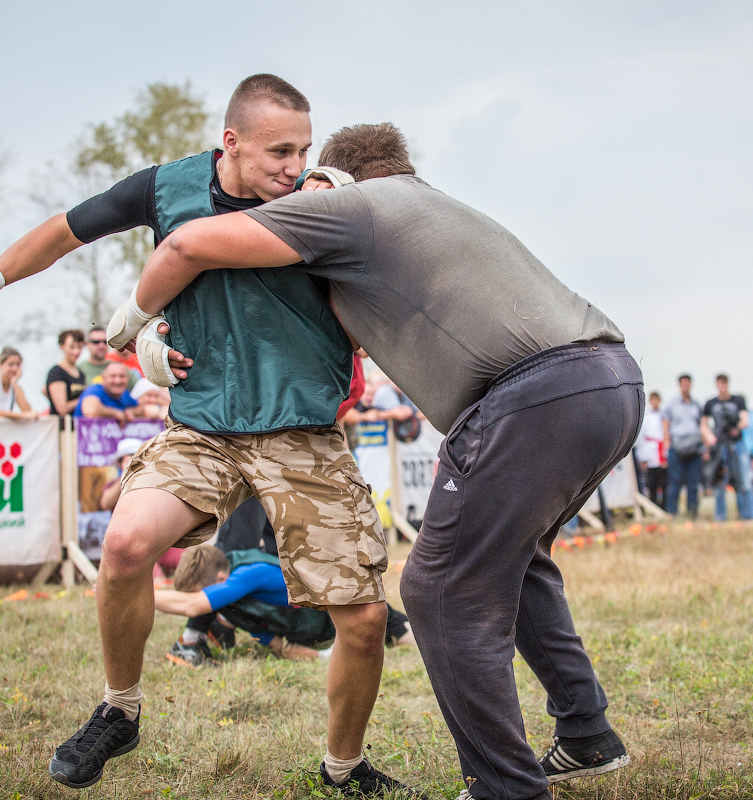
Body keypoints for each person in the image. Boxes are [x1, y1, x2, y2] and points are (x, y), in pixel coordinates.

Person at [0, 76, 409, 795]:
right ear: (229, 142)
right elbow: (64, 230)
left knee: (363, 621)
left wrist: (141, 314)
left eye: (302, 148)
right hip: (203, 425)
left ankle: (343, 766)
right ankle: (120, 709)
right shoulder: (166, 188)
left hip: (302, 432)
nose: (292, 166)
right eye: (278, 150)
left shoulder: (324, 198)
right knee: (122, 545)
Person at [130, 121, 642, 800]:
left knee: (438, 590)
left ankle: (504, 788)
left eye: (302, 175)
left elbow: (193, 241)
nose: (294, 185)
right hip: (613, 379)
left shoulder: (351, 208)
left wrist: (137, 318)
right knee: (517, 561)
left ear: (334, 181)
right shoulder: (432, 207)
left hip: (532, 395)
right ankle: (586, 735)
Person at [155, 545, 417, 665]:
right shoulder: (237, 606)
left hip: (352, 607)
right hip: (329, 629)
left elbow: (193, 606)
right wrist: (321, 657)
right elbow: (280, 647)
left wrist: (135, 596)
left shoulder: (249, 574)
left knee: (421, 641)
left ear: (220, 579)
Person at [701, 374, 753, 522]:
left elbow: (745, 420)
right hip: (719, 446)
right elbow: (703, 424)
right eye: (720, 384)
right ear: (716, 385)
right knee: (719, 482)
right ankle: (720, 517)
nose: (722, 386)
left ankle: (748, 516)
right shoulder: (710, 403)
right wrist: (710, 438)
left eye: (725, 383)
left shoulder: (738, 400)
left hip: (737, 443)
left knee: (744, 480)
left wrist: (736, 427)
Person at [662, 374, 704, 519]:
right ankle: (672, 514)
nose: (686, 386)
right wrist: (667, 442)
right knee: (675, 482)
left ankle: (692, 513)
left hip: (694, 448)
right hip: (677, 447)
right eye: (683, 383)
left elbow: (702, 425)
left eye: (688, 383)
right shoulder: (672, 404)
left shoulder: (697, 404)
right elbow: (665, 424)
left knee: (693, 483)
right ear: (679, 385)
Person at [74, 363, 144, 424]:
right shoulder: (95, 389)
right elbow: (90, 410)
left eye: (122, 376)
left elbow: (149, 410)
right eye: (113, 376)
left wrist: (131, 412)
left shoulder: (124, 394)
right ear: (103, 378)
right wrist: (115, 413)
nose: (117, 381)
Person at [634, 391, 667, 509]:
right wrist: (643, 457)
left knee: (663, 483)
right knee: (652, 483)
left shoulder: (665, 415)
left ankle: (664, 506)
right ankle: (653, 505)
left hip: (662, 452)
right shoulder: (647, 417)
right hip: (651, 452)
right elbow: (642, 438)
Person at [47, 330, 88, 422]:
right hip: (62, 429)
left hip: (78, 425)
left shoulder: (80, 373)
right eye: (71, 347)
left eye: (79, 347)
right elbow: (62, 409)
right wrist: (86, 398)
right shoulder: (57, 372)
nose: (76, 351)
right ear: (62, 346)